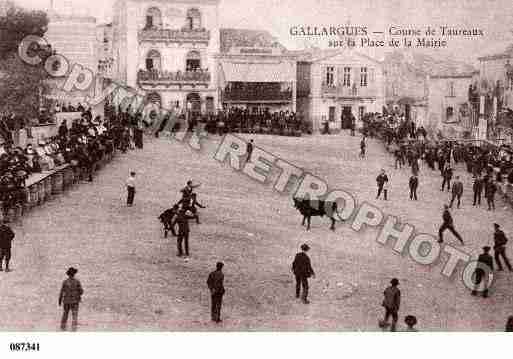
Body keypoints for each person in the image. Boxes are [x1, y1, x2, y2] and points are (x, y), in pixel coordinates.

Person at [58, 267, 84, 331]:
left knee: (65, 315)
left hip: (66, 301)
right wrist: (77, 293)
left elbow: (61, 292)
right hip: (75, 301)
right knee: (74, 315)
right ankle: (74, 329)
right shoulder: (77, 282)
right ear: (74, 274)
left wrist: (60, 300)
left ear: (68, 274)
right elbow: (81, 291)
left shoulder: (65, 282)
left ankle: (62, 328)